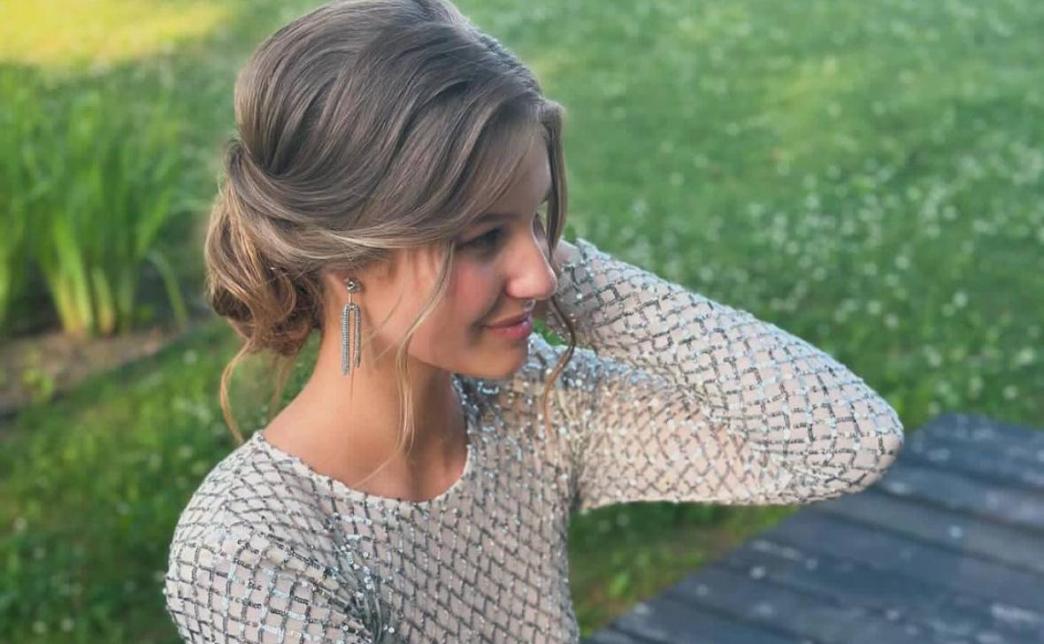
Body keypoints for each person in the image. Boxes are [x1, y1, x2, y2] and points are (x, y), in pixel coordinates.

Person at [162, 0, 906, 641]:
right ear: (347, 256)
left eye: (538, 219)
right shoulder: (248, 552)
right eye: (481, 238)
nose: (541, 277)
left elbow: (848, 442)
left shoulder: (538, 411)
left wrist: (569, 273)